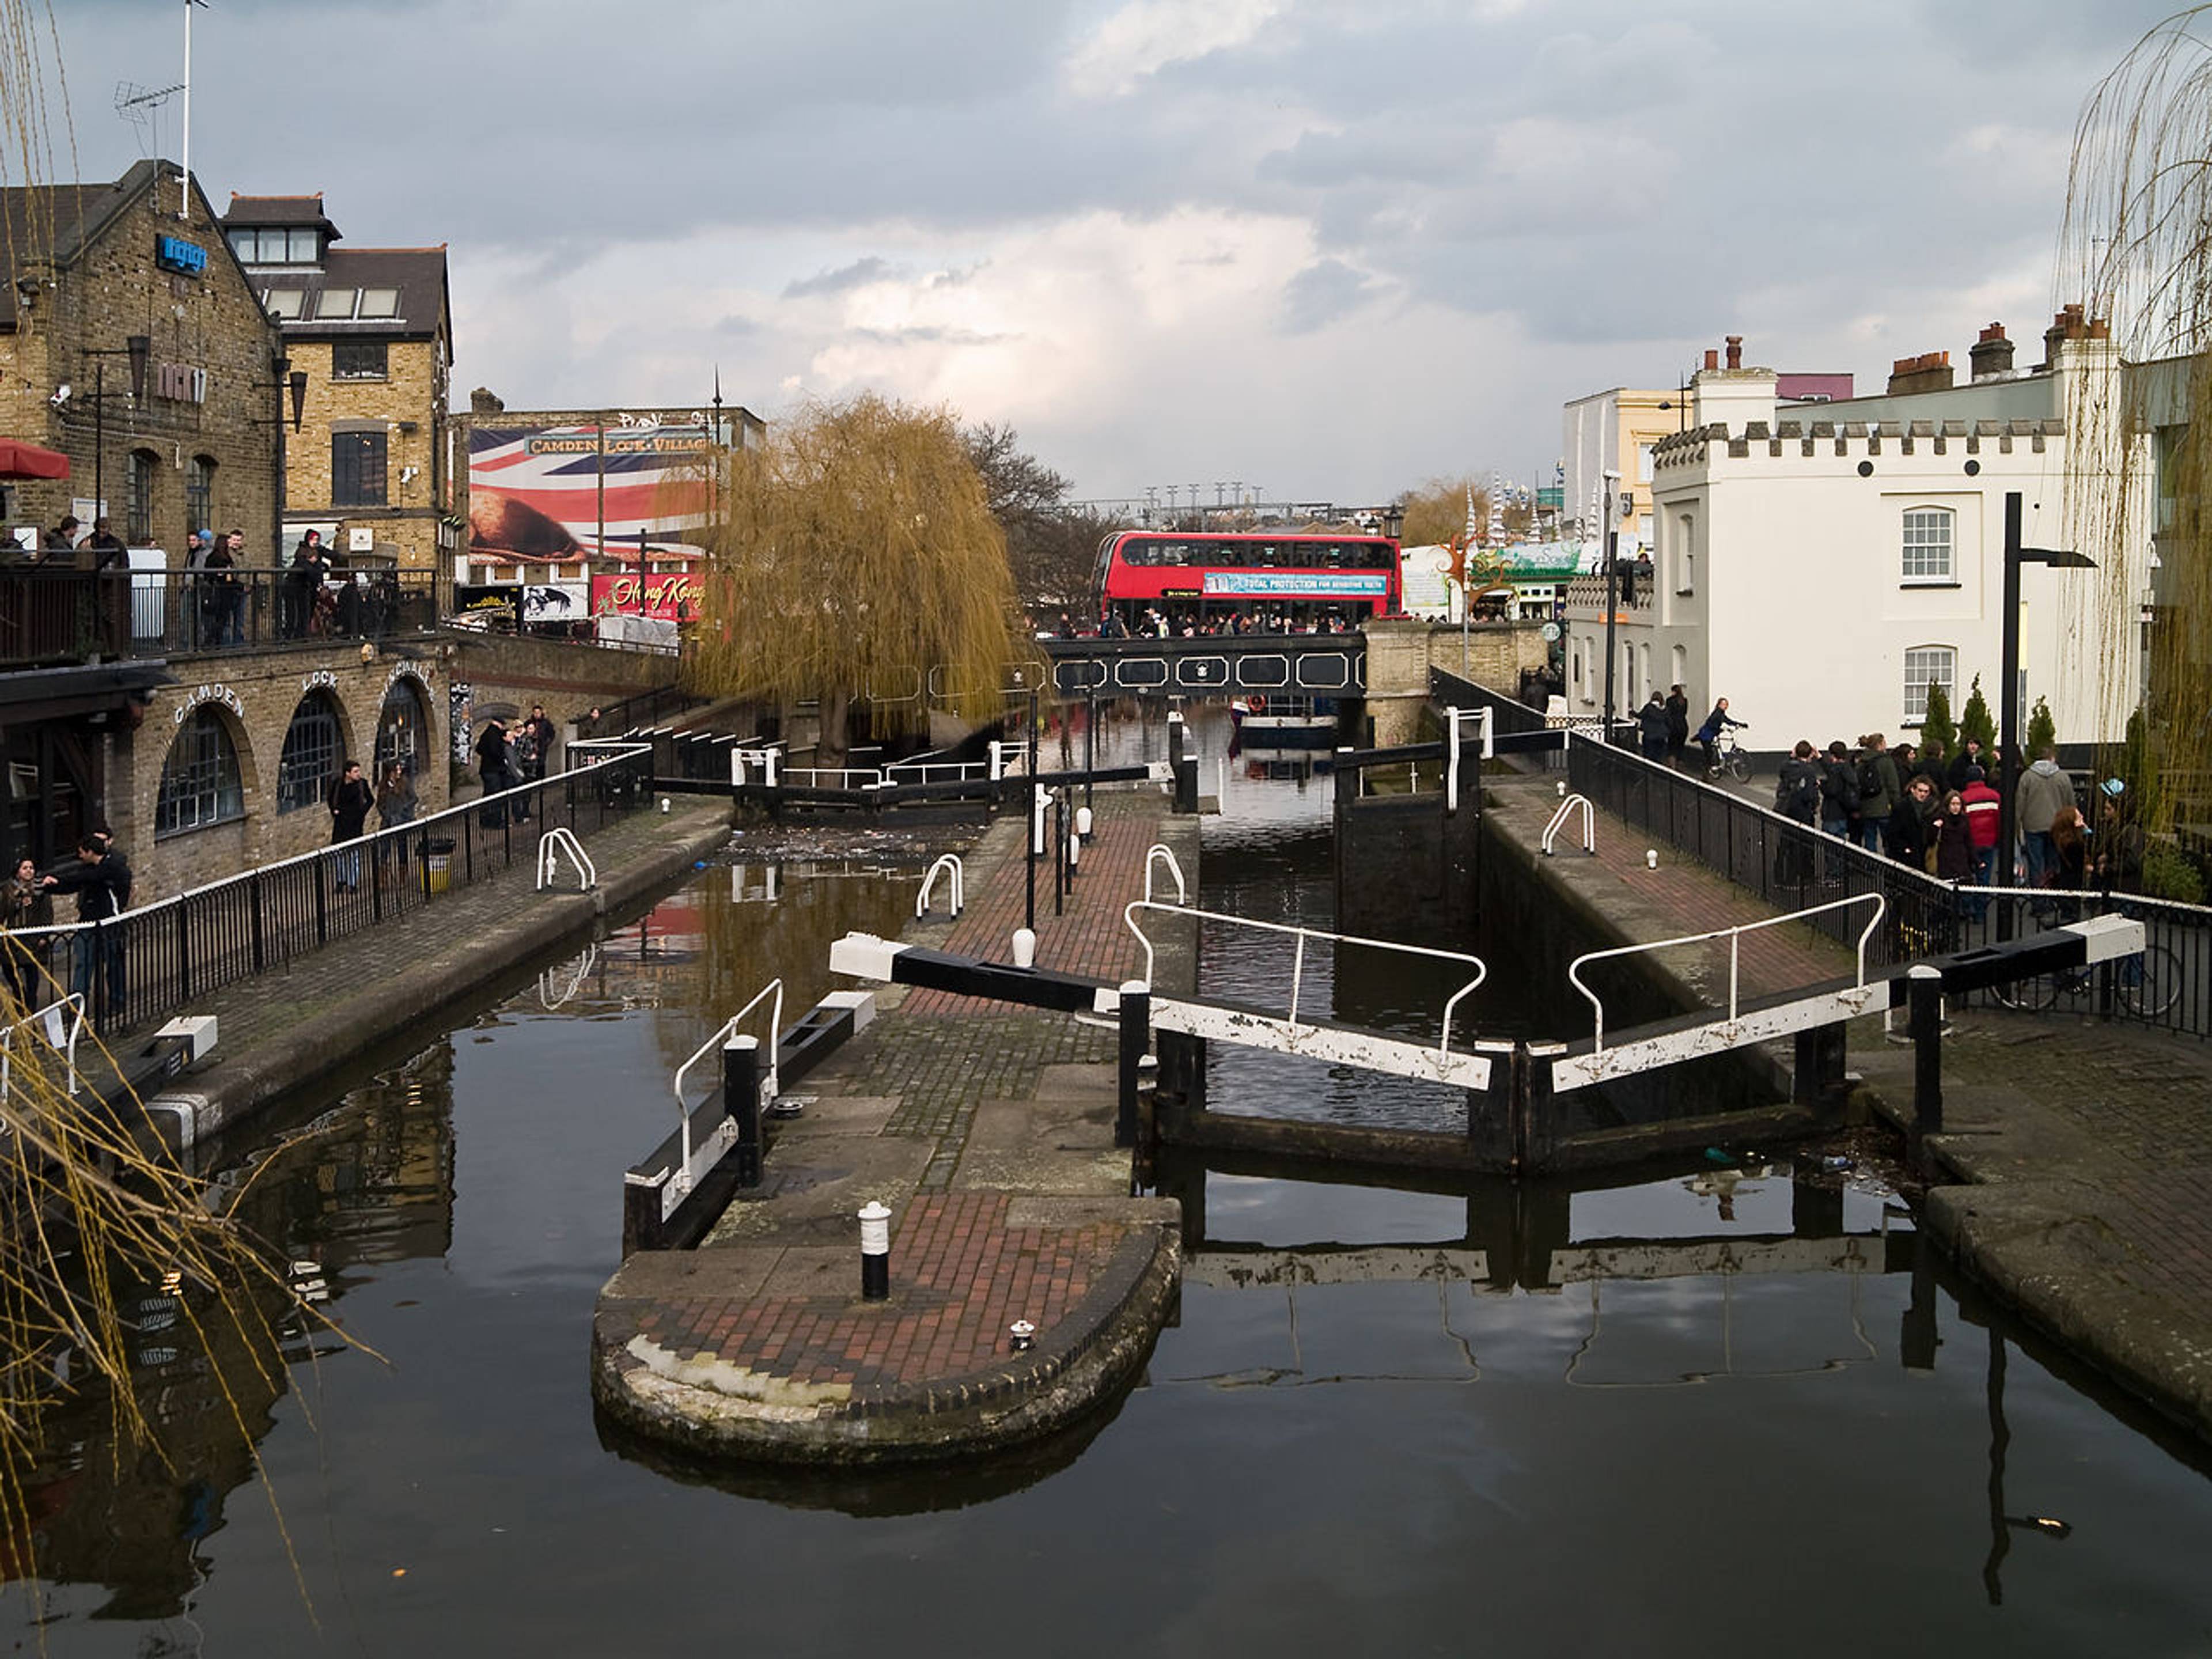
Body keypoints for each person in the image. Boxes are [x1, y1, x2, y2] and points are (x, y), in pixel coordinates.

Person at [41, 832, 131, 1020]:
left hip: (110, 923)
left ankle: (118, 1001)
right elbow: (76, 882)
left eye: (82, 852)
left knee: (113, 964)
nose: (79, 856)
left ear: (90, 852)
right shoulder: (90, 868)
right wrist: (52, 886)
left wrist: (58, 881)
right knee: (83, 964)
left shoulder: (111, 868)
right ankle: (77, 1006)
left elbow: (85, 879)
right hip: (89, 923)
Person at [2016, 747, 2073, 888]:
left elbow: (2019, 805)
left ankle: (2038, 901)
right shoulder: (2063, 777)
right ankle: (2051, 894)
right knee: (2053, 863)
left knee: (2036, 864)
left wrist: (2018, 829)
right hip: (2057, 826)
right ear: (2052, 758)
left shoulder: (2027, 777)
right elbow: (2070, 804)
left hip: (2033, 826)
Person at [2, 855, 54, 1007]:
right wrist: (18, 902)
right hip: (13, 936)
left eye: (31, 868)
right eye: (25, 868)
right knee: (9, 968)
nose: (29, 871)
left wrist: (44, 935)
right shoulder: (8, 889)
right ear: (18, 872)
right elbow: (4, 911)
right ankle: (20, 994)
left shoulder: (40, 889)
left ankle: (31, 1004)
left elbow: (47, 913)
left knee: (31, 971)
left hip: (32, 936)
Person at [327, 760, 374, 892]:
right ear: (348, 773)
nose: (358, 774)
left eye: (358, 771)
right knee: (338, 854)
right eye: (355, 772)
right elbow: (330, 799)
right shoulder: (338, 785)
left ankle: (352, 883)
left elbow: (370, 800)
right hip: (341, 823)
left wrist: (361, 813)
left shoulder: (361, 785)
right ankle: (341, 881)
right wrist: (334, 811)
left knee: (354, 855)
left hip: (355, 824)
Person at [2092, 779, 2145, 892]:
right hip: (2114, 886)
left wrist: (2107, 869)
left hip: (2125, 889)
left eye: (2108, 809)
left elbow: (2131, 862)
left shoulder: (2132, 831)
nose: (2105, 812)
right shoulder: (2115, 829)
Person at [1960, 764, 2002, 898]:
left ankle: (1968, 909)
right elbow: (1999, 820)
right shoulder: (1994, 796)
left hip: (1970, 844)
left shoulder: (1963, 798)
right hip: (1989, 841)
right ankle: (1981, 912)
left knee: (1967, 878)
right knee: (1984, 878)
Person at [1855, 734, 1899, 853]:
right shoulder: (1886, 761)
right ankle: (1889, 865)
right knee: (1888, 840)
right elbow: (1893, 785)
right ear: (1880, 745)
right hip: (1884, 807)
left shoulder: (1862, 761)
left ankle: (1872, 867)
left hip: (1866, 806)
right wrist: (1896, 805)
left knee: (1870, 839)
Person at [1886, 774, 1935, 869]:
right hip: (1905, 853)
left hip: (1921, 853)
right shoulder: (1902, 807)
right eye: (1920, 791)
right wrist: (1904, 848)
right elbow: (1893, 832)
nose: (1923, 794)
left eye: (1926, 792)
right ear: (1913, 790)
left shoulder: (1931, 808)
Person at [475, 719, 512, 828]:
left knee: (487, 796)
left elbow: (479, 749)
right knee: (496, 797)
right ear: (498, 723)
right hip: (494, 770)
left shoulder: (486, 734)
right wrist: (503, 759)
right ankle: (495, 822)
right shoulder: (494, 735)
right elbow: (496, 752)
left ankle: (485, 821)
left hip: (486, 769)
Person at [1695, 698, 1747, 772]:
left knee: (1710, 752)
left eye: (1726, 704)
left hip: (1712, 734)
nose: (1725, 706)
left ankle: (1711, 768)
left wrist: (1741, 724)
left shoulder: (1721, 714)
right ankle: (1706, 773)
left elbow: (1729, 721)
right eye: (1723, 704)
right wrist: (1720, 729)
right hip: (1706, 735)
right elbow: (1710, 724)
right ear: (1719, 705)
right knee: (1709, 753)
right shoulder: (1716, 714)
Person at [2049, 803, 2088, 892]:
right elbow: (2079, 866)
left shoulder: (2061, 840)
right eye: (2078, 816)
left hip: (2063, 883)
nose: (2082, 817)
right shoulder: (2074, 846)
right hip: (2073, 885)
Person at [521, 704, 556, 782]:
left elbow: (552, 734)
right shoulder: (529, 722)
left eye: (538, 712)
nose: (537, 714)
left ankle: (541, 784)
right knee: (531, 767)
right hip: (531, 748)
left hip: (541, 748)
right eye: (535, 713)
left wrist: (546, 743)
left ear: (541, 713)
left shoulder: (546, 723)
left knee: (541, 766)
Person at [1637, 692, 1670, 763]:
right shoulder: (1665, 709)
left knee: (1649, 754)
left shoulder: (1649, 708)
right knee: (1659, 755)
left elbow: (1641, 715)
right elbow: (1669, 722)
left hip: (1650, 735)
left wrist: (1632, 712)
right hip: (1661, 735)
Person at [1664, 684, 1690, 770]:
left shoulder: (1670, 700)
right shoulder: (1684, 701)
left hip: (1673, 726)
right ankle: (1680, 764)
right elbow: (1685, 713)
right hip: (1683, 726)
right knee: (1680, 746)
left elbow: (1668, 713)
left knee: (1672, 746)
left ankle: (1672, 765)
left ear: (1674, 691)